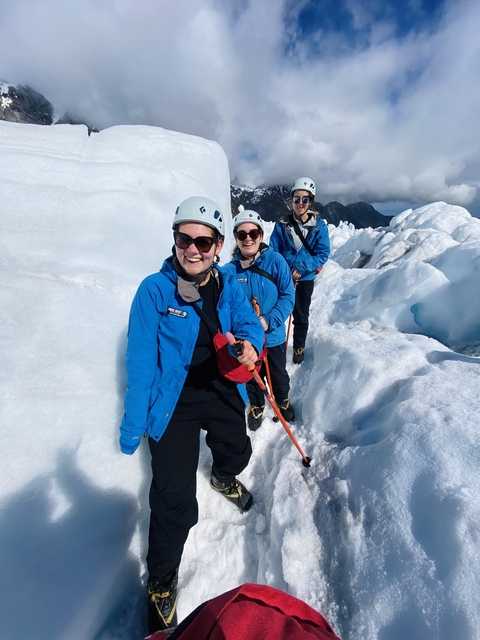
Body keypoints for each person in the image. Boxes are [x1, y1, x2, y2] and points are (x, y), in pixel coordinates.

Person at [118, 196, 264, 634]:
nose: (193, 249)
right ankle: (162, 582)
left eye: (204, 241)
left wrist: (250, 343)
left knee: (237, 448)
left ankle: (223, 473)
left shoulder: (227, 285)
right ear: (175, 240)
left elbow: (247, 322)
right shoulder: (154, 290)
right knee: (171, 498)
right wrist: (132, 426)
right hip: (172, 400)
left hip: (219, 383)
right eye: (185, 238)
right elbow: (141, 359)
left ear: (219, 246)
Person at [224, 210, 295, 431]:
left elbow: (287, 296)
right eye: (242, 234)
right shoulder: (229, 272)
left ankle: (282, 398)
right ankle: (256, 403)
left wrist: (268, 320)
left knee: (278, 372)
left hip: (272, 334)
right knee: (252, 374)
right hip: (247, 340)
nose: (248, 238)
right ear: (236, 238)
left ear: (261, 235)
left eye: (253, 232)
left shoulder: (275, 261)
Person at [269, 177, 330, 364]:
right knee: (277, 310)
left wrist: (302, 267)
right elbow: (273, 250)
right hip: (284, 278)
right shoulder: (282, 225)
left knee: (301, 315)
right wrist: (284, 270)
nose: (300, 203)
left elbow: (322, 253)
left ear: (310, 201)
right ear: (292, 201)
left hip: (304, 279)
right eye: (296, 199)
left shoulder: (319, 227)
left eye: (305, 199)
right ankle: (275, 346)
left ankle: (298, 347)